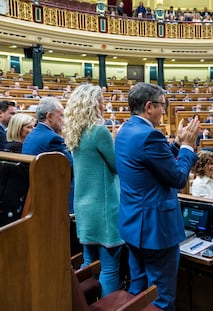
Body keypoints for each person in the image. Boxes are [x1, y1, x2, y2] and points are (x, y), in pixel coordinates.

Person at [115, 82, 199, 310]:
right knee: (160, 299)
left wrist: (177, 144)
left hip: (133, 226)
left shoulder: (125, 131)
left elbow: (153, 163)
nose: (165, 110)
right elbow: (178, 178)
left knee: (138, 291)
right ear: (149, 106)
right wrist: (188, 148)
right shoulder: (150, 136)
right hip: (156, 230)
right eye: (163, 105)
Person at [63, 84, 124, 298]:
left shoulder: (75, 132)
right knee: (109, 267)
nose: (104, 104)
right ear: (92, 103)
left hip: (84, 207)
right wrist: (117, 139)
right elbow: (116, 165)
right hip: (104, 208)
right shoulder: (98, 131)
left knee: (89, 263)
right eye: (101, 100)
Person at [22, 97, 74, 213]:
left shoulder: (32, 135)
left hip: (34, 194)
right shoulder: (53, 138)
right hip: (51, 199)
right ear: (49, 116)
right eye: (61, 115)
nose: (64, 120)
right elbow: (71, 167)